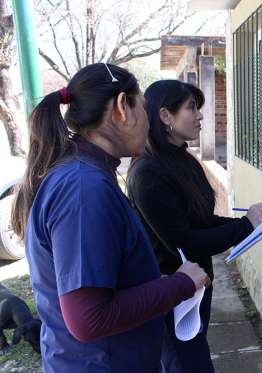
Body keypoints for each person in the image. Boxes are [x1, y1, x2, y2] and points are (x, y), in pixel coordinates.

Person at [10, 63, 209, 373]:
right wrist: (180, 284)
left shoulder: (90, 174)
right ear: (122, 107)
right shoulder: (82, 188)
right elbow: (88, 318)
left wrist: (148, 282)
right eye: (143, 107)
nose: (148, 120)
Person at [126, 79, 262, 373]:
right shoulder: (148, 172)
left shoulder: (183, 160)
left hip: (196, 289)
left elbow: (202, 220)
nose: (201, 115)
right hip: (170, 298)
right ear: (166, 116)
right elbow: (185, 243)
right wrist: (244, 225)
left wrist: (250, 224)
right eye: (192, 108)